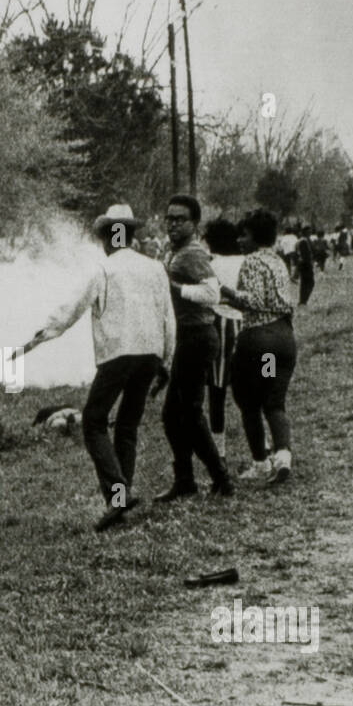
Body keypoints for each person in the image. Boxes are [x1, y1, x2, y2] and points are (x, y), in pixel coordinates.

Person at [13, 204, 176, 531]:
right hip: (150, 354)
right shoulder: (156, 268)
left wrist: (37, 339)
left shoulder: (103, 269)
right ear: (129, 235)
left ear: (107, 237)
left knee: (93, 421)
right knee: (127, 425)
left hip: (118, 355)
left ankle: (117, 492)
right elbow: (167, 317)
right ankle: (120, 498)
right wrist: (166, 361)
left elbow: (71, 310)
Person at [154, 194, 233, 504]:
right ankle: (186, 480)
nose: (173, 224)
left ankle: (220, 478)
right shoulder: (174, 252)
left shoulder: (193, 253)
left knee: (188, 412)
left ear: (194, 223)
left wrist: (174, 289)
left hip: (197, 336)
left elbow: (212, 294)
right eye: (169, 218)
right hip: (185, 336)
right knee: (173, 415)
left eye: (180, 219)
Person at [219, 209, 297, 485]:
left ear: (254, 236)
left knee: (248, 400)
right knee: (273, 401)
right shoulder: (277, 261)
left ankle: (261, 462)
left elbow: (253, 300)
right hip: (283, 338)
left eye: (244, 235)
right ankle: (283, 455)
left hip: (260, 341)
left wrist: (224, 291)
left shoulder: (252, 261)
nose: (239, 240)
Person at [202, 218, 244, 465]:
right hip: (249, 324)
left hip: (221, 324)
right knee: (253, 389)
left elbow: (208, 297)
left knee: (217, 391)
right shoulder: (246, 261)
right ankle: (265, 446)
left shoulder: (211, 265)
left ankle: (220, 451)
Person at [294, 226, 316, 306]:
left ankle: (303, 301)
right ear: (306, 232)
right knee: (309, 282)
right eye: (309, 231)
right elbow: (305, 254)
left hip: (303, 264)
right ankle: (303, 301)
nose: (310, 233)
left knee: (305, 283)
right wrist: (309, 262)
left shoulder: (301, 240)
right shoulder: (304, 241)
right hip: (305, 264)